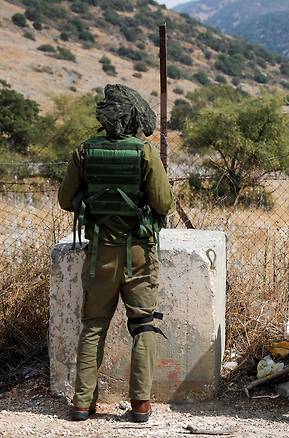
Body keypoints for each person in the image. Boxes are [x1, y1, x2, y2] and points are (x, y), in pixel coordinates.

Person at [58, 84, 174, 423]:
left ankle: (81, 403)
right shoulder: (145, 152)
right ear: (133, 117)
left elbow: (66, 200)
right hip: (138, 253)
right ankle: (140, 405)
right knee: (143, 325)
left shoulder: (84, 151)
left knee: (94, 325)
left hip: (99, 256)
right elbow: (164, 203)